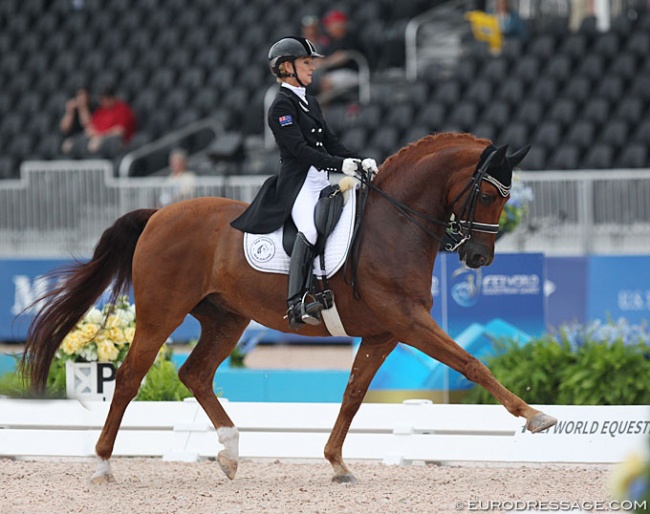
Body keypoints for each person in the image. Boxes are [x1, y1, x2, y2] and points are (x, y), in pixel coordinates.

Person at [230, 36, 378, 330]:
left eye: (312, 63)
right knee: (310, 229)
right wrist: (339, 165)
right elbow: (300, 151)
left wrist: (360, 160)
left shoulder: (309, 101)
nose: (313, 68)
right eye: (306, 63)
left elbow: (330, 142)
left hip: (321, 178)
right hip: (297, 184)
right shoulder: (280, 107)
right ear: (287, 68)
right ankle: (296, 302)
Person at [314, 10, 367, 102]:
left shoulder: (350, 38)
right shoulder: (331, 41)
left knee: (326, 82)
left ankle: (323, 113)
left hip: (353, 73)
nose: (328, 28)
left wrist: (325, 62)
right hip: (335, 74)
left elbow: (342, 58)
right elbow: (321, 58)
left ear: (340, 24)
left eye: (331, 24)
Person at [85, 85, 136, 156]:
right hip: (97, 141)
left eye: (107, 97)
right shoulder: (100, 111)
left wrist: (100, 138)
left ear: (113, 97)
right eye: (102, 98)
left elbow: (119, 131)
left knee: (101, 144)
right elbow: (89, 128)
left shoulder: (122, 109)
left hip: (117, 144)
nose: (104, 101)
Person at [60, 87, 92, 155]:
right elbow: (64, 128)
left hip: (86, 138)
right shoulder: (73, 110)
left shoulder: (92, 108)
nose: (81, 99)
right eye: (79, 96)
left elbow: (86, 124)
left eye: (83, 96)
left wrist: (82, 108)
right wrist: (70, 112)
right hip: (73, 137)